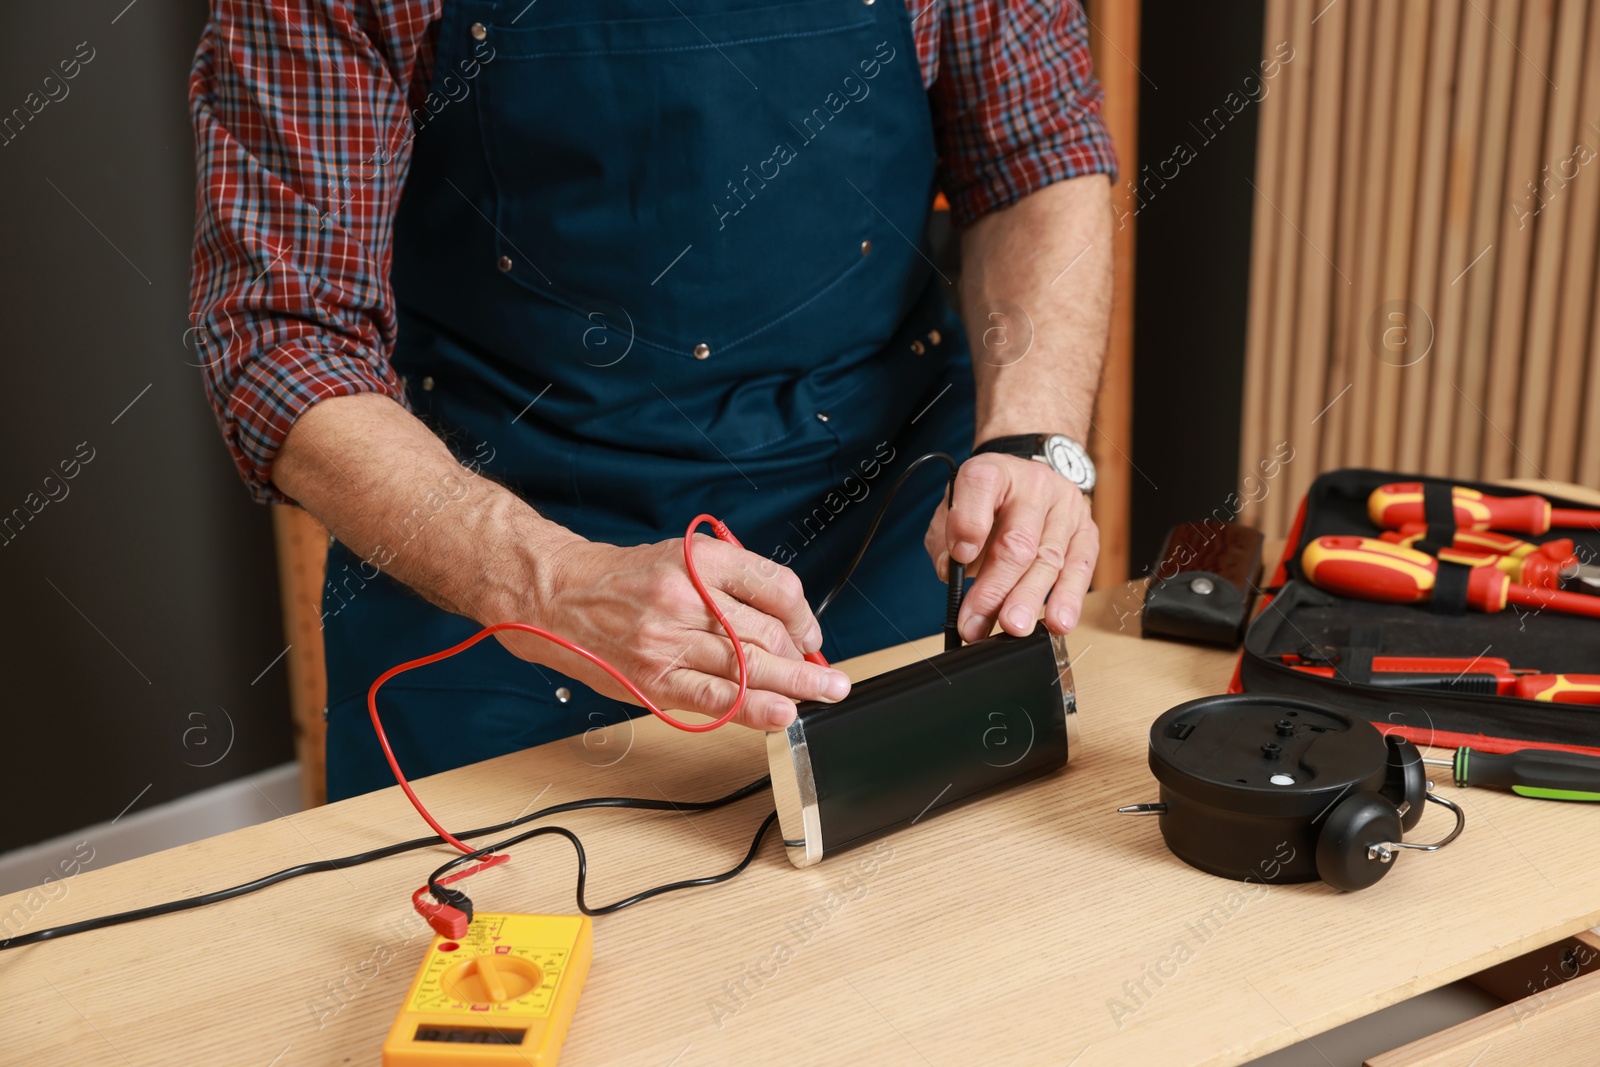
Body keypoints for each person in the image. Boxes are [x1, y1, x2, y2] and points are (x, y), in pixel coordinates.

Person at [188, 0, 1116, 800]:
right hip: (495, 579)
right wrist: (549, 583)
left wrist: (1038, 440)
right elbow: (282, 337)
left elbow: (1035, 160)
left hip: (890, 539)